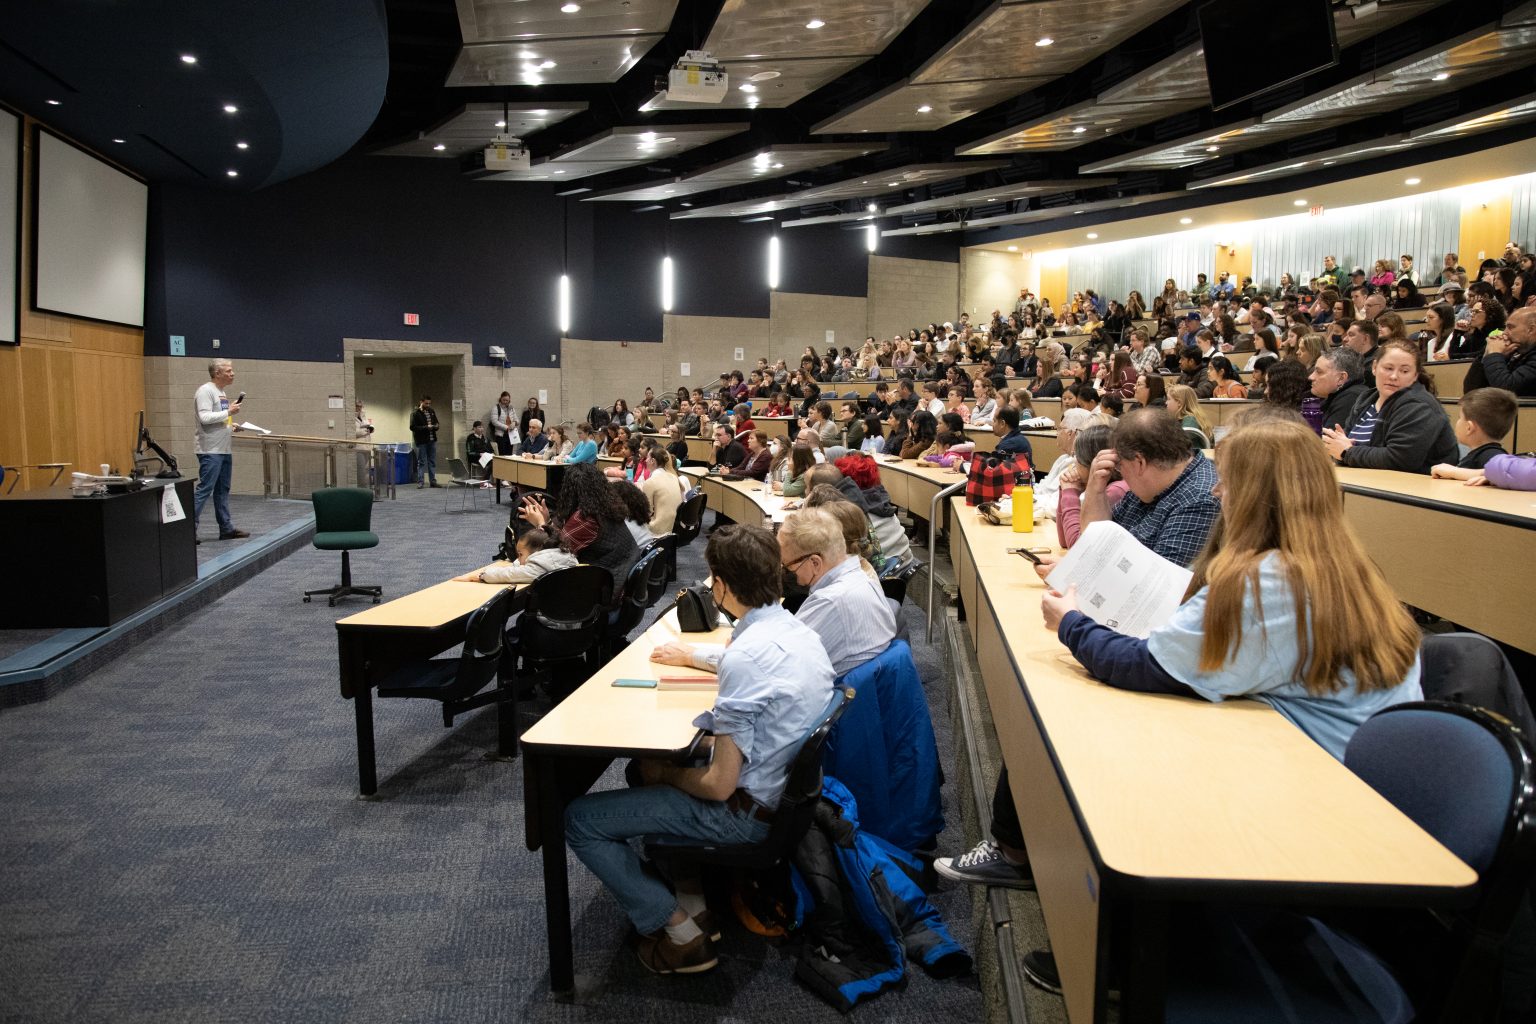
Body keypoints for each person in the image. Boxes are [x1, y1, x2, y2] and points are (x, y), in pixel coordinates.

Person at [568, 526, 835, 974]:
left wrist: (665, 773)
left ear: (723, 585)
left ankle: (681, 934)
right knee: (651, 766)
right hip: (782, 800)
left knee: (579, 820)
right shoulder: (800, 631)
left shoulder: (746, 657)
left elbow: (716, 786)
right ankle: (694, 902)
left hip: (743, 817)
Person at [1322, 340, 1458, 474]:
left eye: (1404, 371)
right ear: (1374, 367)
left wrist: (1347, 452)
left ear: (1415, 376)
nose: (1394, 376)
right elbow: (1343, 445)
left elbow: (1399, 459)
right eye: (1388, 368)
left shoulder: (1420, 406)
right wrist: (1338, 447)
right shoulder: (1365, 399)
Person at [517, 462, 637, 591]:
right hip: (619, 577)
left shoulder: (585, 517)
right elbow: (564, 537)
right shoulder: (606, 506)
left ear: (569, 490)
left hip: (605, 588)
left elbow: (553, 555)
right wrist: (547, 521)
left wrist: (541, 524)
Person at [192, 358, 249, 541]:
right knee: (205, 489)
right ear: (217, 373)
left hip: (223, 449)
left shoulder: (221, 393)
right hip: (210, 449)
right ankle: (187, 529)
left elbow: (219, 420)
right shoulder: (205, 391)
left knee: (222, 490)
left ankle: (226, 528)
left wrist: (231, 425)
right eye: (229, 371)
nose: (233, 374)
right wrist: (229, 412)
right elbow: (204, 417)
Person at [1055, 424, 1127, 549]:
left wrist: (1070, 492)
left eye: (1076, 456)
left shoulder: (1116, 490)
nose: (1074, 462)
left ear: (1090, 461)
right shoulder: (1106, 486)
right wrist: (1066, 490)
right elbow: (1064, 541)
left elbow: (1078, 547)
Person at [1431, 387, 1516, 474]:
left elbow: (1504, 472)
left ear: (1469, 427)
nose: (1458, 421)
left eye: (1460, 417)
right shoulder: (1481, 455)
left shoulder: (1490, 455)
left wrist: (1455, 472)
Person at [454, 526, 576, 584]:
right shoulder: (564, 556)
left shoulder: (539, 566)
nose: (518, 558)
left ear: (537, 551)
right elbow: (521, 564)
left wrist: (482, 575)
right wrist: (520, 560)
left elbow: (508, 575)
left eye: (520, 554)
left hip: (552, 622)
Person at [1470, 305, 1536, 396]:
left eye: (1510, 327)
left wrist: (1494, 354)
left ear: (1531, 329)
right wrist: (1485, 355)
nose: (1504, 332)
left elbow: (1506, 391)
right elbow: (1471, 391)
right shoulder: (1512, 352)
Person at [640, 446, 684, 537]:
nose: (645, 460)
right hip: (675, 527)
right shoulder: (674, 477)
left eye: (647, 457)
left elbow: (646, 512)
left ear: (653, 461)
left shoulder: (650, 482)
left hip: (658, 530)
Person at [409, 394, 440, 488]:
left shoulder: (431, 411)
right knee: (421, 461)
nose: (428, 405)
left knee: (432, 461)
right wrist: (426, 427)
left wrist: (436, 426)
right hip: (421, 441)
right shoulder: (415, 413)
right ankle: (420, 481)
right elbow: (412, 427)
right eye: (426, 403)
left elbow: (436, 422)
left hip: (432, 440)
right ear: (421, 402)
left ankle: (433, 481)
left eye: (429, 403)